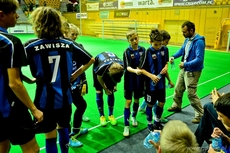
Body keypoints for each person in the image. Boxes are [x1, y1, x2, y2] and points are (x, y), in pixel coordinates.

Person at [24, 6, 94, 153]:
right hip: (65, 99)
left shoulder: (30, 45)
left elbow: (13, 69)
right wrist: (74, 75)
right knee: (63, 130)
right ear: (58, 23)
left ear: (38, 24)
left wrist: (27, 79)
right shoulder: (68, 44)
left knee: (50, 136)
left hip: (44, 101)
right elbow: (91, 59)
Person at [0, 0, 43, 153]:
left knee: (3, 145)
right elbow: (14, 83)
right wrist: (33, 109)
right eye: (13, 13)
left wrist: (25, 78)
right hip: (9, 109)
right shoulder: (10, 42)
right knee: (32, 149)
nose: (17, 16)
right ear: (1, 15)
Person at [167, 21, 205, 124]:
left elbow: (199, 59)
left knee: (191, 94)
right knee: (178, 88)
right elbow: (182, 50)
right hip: (184, 69)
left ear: (191, 30)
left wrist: (185, 64)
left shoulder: (199, 42)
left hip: (193, 71)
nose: (183, 34)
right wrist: (173, 56)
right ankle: (176, 105)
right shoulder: (187, 40)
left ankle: (200, 115)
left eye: (184, 32)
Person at [138, 30, 174, 124]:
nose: (158, 47)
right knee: (150, 104)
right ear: (150, 42)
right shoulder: (147, 52)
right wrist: (152, 76)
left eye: (160, 44)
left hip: (161, 84)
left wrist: (167, 72)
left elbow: (166, 62)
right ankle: (150, 124)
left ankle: (157, 122)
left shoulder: (165, 49)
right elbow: (140, 69)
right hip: (150, 85)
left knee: (161, 103)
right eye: (156, 45)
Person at [67, 23, 90, 147]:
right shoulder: (64, 47)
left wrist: (84, 81)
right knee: (69, 110)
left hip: (76, 84)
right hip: (66, 85)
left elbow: (83, 65)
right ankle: (70, 136)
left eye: (76, 34)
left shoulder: (79, 46)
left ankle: (76, 130)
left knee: (81, 105)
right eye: (72, 34)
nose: (75, 37)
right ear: (66, 34)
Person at [122, 30, 145, 137]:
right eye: (132, 39)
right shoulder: (127, 51)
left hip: (139, 80)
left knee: (136, 99)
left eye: (136, 38)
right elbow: (127, 67)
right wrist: (135, 71)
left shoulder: (143, 50)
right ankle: (126, 126)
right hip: (129, 80)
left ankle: (133, 117)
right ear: (128, 41)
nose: (135, 41)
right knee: (128, 101)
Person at [93, 52, 124, 126]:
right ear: (109, 71)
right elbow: (99, 78)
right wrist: (105, 89)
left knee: (111, 91)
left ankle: (111, 115)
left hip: (111, 65)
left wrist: (115, 85)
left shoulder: (122, 66)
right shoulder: (102, 68)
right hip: (98, 65)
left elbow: (117, 76)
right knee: (99, 91)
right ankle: (102, 115)